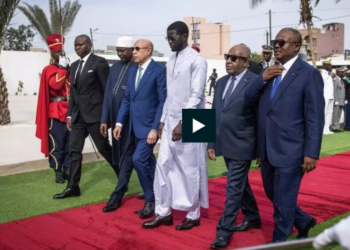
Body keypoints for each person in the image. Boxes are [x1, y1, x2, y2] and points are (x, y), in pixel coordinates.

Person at [245, 28, 325, 242]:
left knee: (284, 199)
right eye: (275, 42)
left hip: (292, 150)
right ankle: (303, 220)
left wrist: (311, 153)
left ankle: (279, 241)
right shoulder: (270, 73)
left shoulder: (309, 74)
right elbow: (248, 99)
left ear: (296, 47)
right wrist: (261, 78)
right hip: (267, 150)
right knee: (274, 195)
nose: (277, 45)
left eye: (282, 42)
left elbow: (315, 117)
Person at [142, 21, 208, 231]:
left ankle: (193, 214)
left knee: (192, 168)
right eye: (167, 38)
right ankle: (163, 212)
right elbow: (170, 96)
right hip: (171, 120)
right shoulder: (170, 60)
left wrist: (183, 122)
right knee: (163, 166)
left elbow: (197, 95)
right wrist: (162, 121)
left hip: (196, 119)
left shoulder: (198, 60)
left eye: (173, 38)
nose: (169, 42)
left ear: (184, 36)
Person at [208, 45, 261, 249]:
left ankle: (224, 231)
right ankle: (253, 216)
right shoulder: (220, 82)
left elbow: (260, 118)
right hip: (224, 142)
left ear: (246, 62)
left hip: (244, 143)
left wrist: (260, 149)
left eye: (234, 58)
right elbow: (214, 113)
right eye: (227, 57)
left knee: (233, 187)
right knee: (240, 184)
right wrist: (210, 142)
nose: (228, 61)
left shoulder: (256, 82)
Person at [54, 35, 118, 199]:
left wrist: (106, 118)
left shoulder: (99, 62)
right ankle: (73, 187)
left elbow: (107, 92)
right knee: (74, 152)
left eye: (81, 45)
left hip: (96, 116)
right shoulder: (74, 66)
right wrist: (69, 115)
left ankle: (122, 176)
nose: (77, 48)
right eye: (75, 45)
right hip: (77, 118)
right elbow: (74, 94)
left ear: (90, 45)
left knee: (104, 149)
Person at [113, 39, 166, 219]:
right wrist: (119, 123)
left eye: (137, 49)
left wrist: (155, 129)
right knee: (149, 162)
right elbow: (128, 99)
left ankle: (150, 199)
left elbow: (162, 101)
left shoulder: (159, 71)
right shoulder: (133, 69)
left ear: (148, 50)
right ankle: (160, 193)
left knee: (138, 159)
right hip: (133, 128)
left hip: (149, 128)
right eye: (133, 49)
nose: (133, 52)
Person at [100, 36, 144, 212]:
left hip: (134, 121)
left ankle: (117, 194)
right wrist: (105, 118)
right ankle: (154, 189)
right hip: (118, 121)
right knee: (136, 156)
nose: (119, 54)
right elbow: (108, 95)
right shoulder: (115, 68)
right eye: (117, 50)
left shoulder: (139, 67)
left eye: (122, 50)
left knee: (129, 155)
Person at [35, 34, 70, 184]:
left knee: (70, 143)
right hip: (56, 111)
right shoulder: (49, 69)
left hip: (69, 111)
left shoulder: (69, 68)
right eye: (56, 52)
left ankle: (68, 167)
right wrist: (62, 68)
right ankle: (58, 170)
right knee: (57, 143)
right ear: (51, 53)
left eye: (61, 52)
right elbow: (55, 85)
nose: (59, 55)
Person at [330, 66, 347, 133]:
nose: (343, 73)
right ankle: (334, 127)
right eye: (342, 72)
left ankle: (337, 127)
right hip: (337, 100)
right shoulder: (335, 80)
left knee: (339, 114)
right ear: (338, 72)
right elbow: (334, 90)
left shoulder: (341, 80)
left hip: (341, 100)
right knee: (335, 114)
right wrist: (336, 100)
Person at [320, 60, 335, 135]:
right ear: (325, 66)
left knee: (329, 113)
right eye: (329, 65)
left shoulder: (330, 75)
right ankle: (322, 129)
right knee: (324, 113)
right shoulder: (322, 74)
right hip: (324, 96)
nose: (330, 67)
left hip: (331, 96)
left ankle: (327, 128)